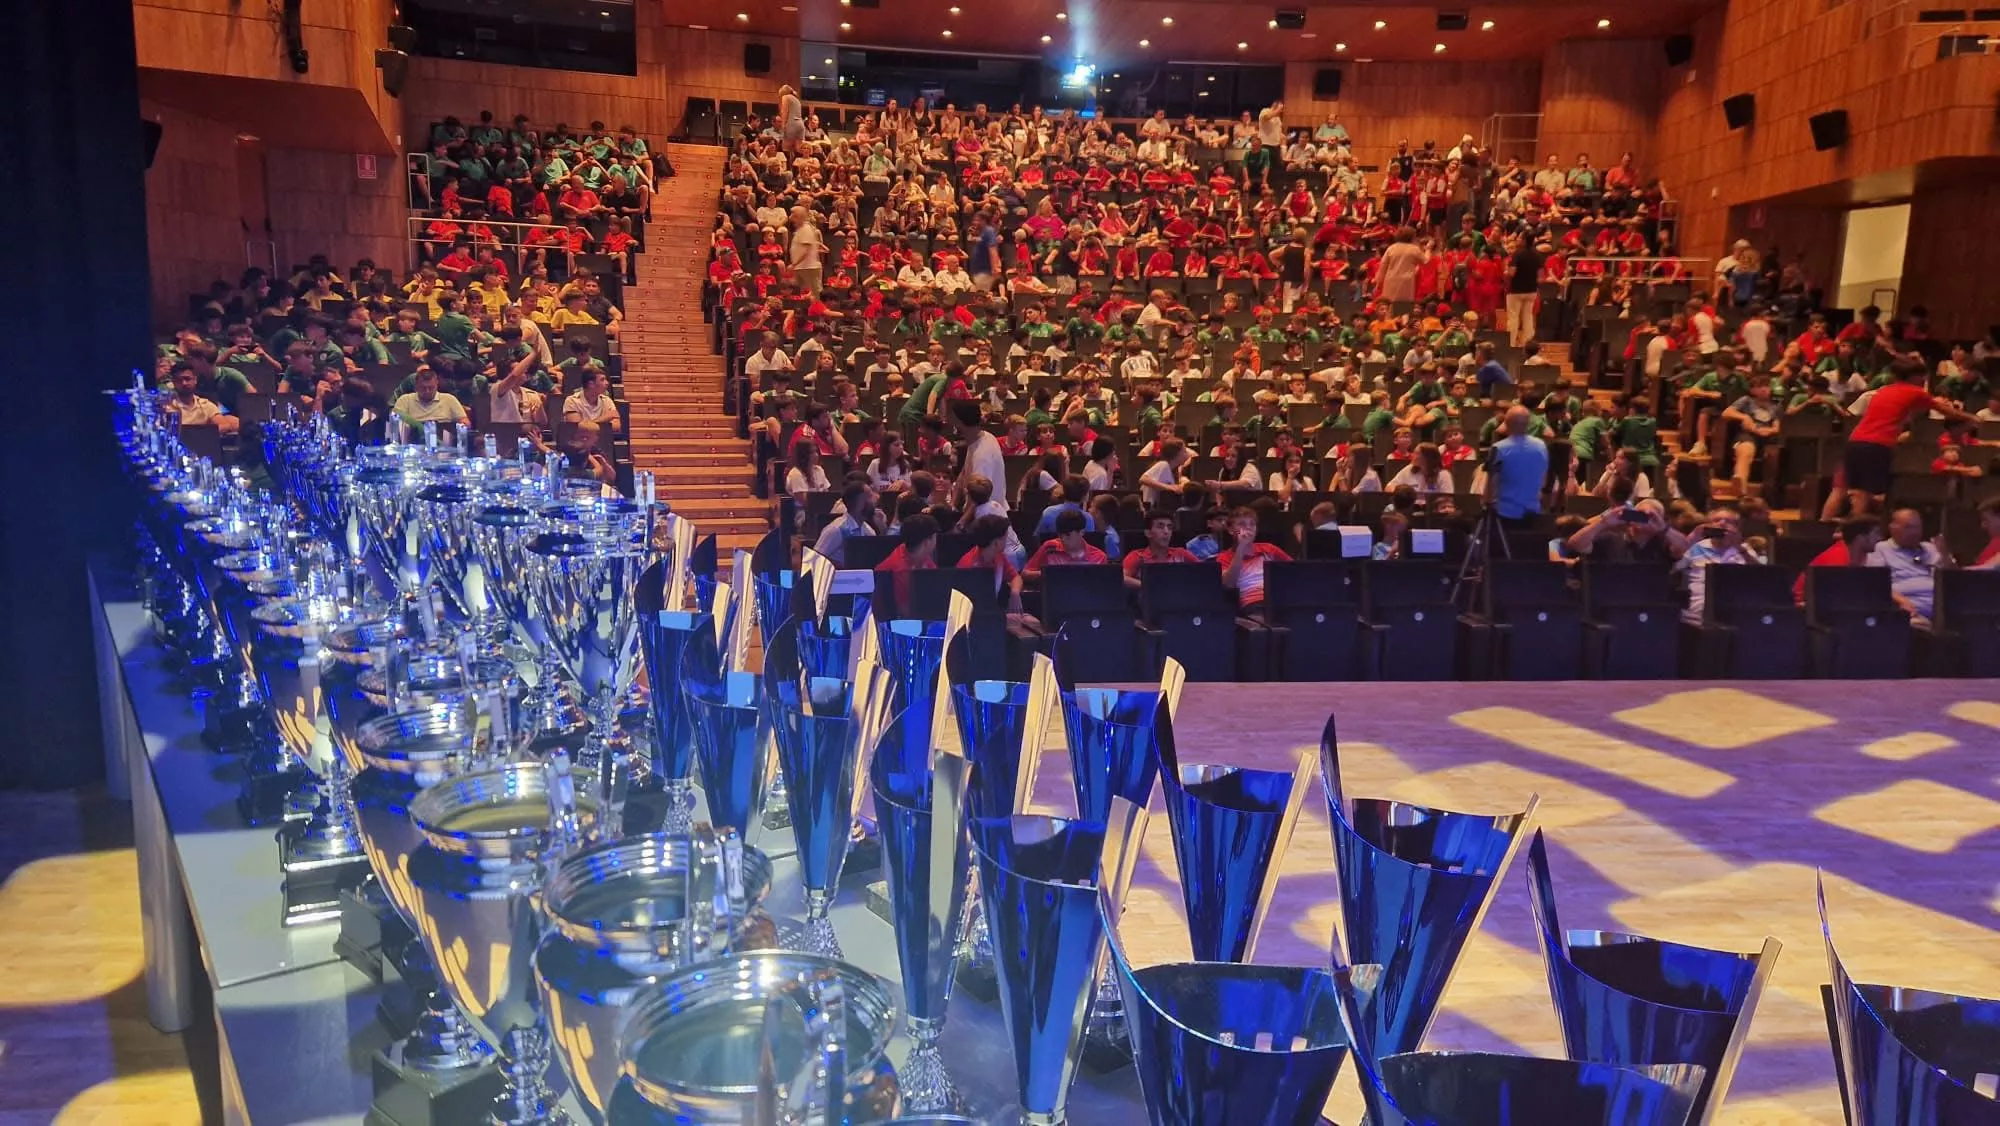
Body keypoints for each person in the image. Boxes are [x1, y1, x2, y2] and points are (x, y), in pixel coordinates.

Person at [1839, 357, 1975, 516]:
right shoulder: (1914, 391)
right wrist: (1972, 418)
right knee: (1877, 494)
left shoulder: (1884, 390)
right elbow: (1946, 411)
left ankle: (1854, 525)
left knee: (1861, 492)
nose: (1924, 379)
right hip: (1877, 446)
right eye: (1922, 375)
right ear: (1913, 377)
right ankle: (1867, 525)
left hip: (1855, 442)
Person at [1868, 508, 1948, 627]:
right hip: (1908, 609)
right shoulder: (1881, 549)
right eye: (1908, 527)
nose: (1915, 532)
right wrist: (1901, 600)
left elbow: (1954, 578)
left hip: (1942, 607)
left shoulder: (1929, 548)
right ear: (1892, 528)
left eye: (1918, 527)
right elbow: (1876, 584)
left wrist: (1945, 555)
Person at [1217, 506, 1292, 620]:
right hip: (1253, 603)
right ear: (1231, 530)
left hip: (1280, 599)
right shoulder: (1224, 557)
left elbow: (1295, 571)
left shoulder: (1269, 549)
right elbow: (1229, 584)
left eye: (1252, 524)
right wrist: (1241, 546)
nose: (1248, 527)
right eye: (1242, 524)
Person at [1679, 507, 1749, 624]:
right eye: (1716, 520)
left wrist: (1739, 547)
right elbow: (1673, 567)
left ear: (1737, 528)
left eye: (1729, 521)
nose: (1722, 524)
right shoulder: (1696, 547)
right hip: (1695, 614)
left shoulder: (1744, 550)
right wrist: (1691, 538)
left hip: (1734, 615)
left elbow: (1761, 577)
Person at [1563, 498, 1687, 564]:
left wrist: (1664, 529)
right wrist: (1603, 523)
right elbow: (1575, 544)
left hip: (1650, 600)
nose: (1643, 520)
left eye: (1652, 518)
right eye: (1639, 514)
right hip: (1612, 599)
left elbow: (1684, 547)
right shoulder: (1610, 539)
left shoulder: (1662, 545)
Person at [1793, 515, 1884, 603]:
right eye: (1876, 533)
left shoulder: (1865, 556)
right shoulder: (1836, 559)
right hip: (1804, 605)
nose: (1880, 538)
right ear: (1860, 537)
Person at [1485, 405, 1549, 527]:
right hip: (1533, 512)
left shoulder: (1498, 448)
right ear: (1528, 424)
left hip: (1504, 514)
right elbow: (1544, 479)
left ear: (1506, 423)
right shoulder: (1541, 446)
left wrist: (1486, 504)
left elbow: (1491, 484)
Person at [960, 514, 1028, 614]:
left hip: (992, 613)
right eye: (1005, 538)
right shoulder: (968, 566)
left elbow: (1015, 577)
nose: (1007, 541)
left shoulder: (999, 557)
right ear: (996, 543)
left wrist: (1015, 593)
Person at [949, 400, 1008, 514]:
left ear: (960, 423)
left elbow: (977, 499)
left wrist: (961, 522)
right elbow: (963, 473)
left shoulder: (982, 456)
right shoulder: (983, 438)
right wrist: (952, 505)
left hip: (987, 516)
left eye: (953, 420)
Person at [874, 514, 939, 613]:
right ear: (927, 542)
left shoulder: (917, 554)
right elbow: (905, 612)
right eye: (935, 537)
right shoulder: (900, 570)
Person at [1024, 508, 1109, 580]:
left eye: (1068, 535)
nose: (1063, 539)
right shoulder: (1049, 547)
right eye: (1060, 535)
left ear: (1081, 532)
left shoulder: (1099, 557)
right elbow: (1025, 573)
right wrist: (1048, 574)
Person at [1122, 510, 1198, 589]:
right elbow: (1121, 577)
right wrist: (1148, 586)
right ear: (1148, 533)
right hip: (1149, 596)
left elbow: (1203, 571)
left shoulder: (1182, 554)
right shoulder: (1137, 556)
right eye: (1160, 527)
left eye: (1169, 527)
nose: (1166, 531)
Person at [810, 480, 878, 565]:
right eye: (870, 496)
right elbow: (813, 560)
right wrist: (839, 566)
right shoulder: (836, 529)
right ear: (859, 502)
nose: (876, 498)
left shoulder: (868, 531)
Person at [392, 366, 468, 440]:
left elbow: (465, 422)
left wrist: (463, 425)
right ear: (416, 386)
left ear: (437, 384)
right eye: (423, 388)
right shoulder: (405, 400)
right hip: (414, 442)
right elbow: (394, 423)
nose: (427, 391)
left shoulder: (449, 399)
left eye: (431, 388)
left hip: (443, 441)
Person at [1506, 237, 1543, 348]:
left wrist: (1506, 272)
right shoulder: (1537, 254)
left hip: (1516, 290)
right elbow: (1540, 276)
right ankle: (1527, 345)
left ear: (1524, 241)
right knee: (1528, 317)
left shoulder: (1518, 253)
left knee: (1513, 317)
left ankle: (1511, 344)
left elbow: (1511, 272)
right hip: (1531, 290)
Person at [1139, 438, 1193, 508]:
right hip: (1150, 507)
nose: (1187, 455)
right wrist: (1169, 487)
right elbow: (1143, 479)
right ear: (1176, 454)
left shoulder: (1172, 470)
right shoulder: (1163, 464)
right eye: (1184, 451)